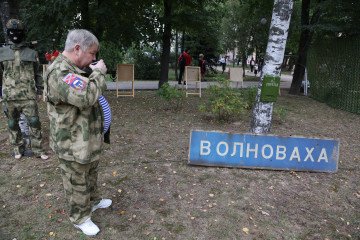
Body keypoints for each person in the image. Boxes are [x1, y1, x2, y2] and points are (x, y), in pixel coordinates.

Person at [44, 29, 111, 236]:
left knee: (90, 172)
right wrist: (99, 72)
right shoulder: (60, 73)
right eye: (92, 53)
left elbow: (96, 90)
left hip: (85, 139)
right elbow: (87, 96)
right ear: (77, 49)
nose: (94, 58)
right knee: (76, 180)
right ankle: (79, 217)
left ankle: (91, 202)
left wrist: (93, 74)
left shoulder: (75, 69)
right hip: (71, 142)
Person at [0, 19, 48, 160]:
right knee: (12, 123)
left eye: (19, 32)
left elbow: (37, 74)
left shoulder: (31, 53)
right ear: (8, 33)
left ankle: (38, 150)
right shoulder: (2, 53)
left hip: (28, 96)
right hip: (9, 96)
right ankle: (17, 149)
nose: (15, 34)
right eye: (12, 31)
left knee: (34, 122)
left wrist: (39, 91)